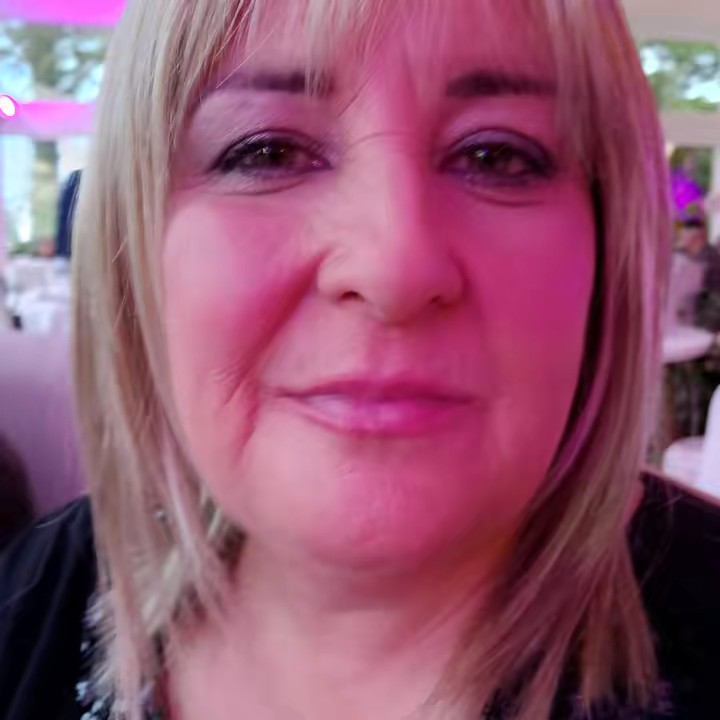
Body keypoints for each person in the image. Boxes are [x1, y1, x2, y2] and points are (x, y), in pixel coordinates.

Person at [2, 1, 720, 719]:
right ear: (135, 236)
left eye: (495, 155)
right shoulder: (30, 599)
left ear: (607, 237)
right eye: (266, 151)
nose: (394, 268)